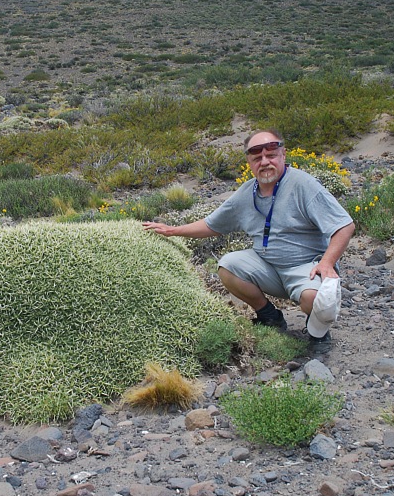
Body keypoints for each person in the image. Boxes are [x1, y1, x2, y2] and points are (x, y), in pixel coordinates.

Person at [143, 129, 354, 354]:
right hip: (267, 266)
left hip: (305, 266)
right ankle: (269, 316)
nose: (265, 162)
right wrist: (174, 230)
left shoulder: (302, 184)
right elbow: (212, 224)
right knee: (228, 265)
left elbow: (344, 225)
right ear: (250, 162)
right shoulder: (247, 192)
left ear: (283, 154)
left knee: (315, 299)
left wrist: (327, 262)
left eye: (271, 155)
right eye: (257, 158)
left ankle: (318, 332)